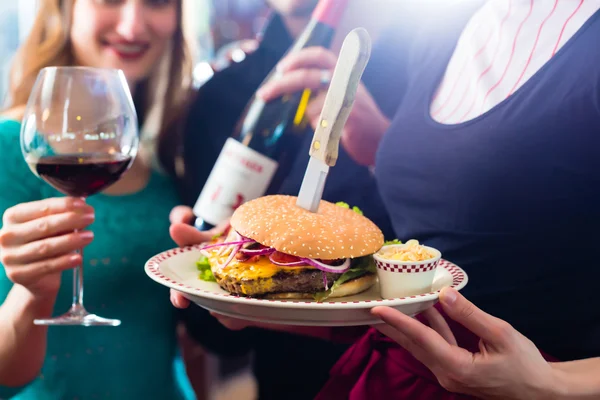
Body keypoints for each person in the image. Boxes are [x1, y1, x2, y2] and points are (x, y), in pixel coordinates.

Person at [173, 0, 600, 398]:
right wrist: (263, 302)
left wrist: (551, 383)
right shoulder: (445, 23)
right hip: (386, 378)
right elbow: (420, 286)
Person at [170, 1, 398, 399]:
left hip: (415, 376)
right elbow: (217, 338)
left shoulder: (430, 70)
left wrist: (385, 149)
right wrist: (215, 276)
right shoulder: (220, 96)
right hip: (288, 381)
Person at [0, 0, 197, 398]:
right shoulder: (10, 150)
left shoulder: (165, 149)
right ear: (63, 9)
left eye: (157, 2)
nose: (132, 25)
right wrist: (32, 295)